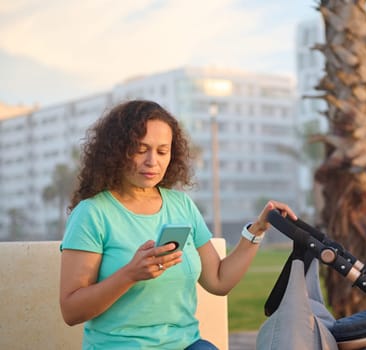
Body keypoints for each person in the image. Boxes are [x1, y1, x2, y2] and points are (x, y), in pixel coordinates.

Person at [59, 99, 297, 349]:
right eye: (141, 149)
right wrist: (130, 274)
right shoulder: (92, 213)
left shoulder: (181, 205)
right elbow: (71, 310)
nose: (153, 161)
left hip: (186, 344)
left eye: (162, 151)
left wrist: (256, 231)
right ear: (116, 151)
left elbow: (218, 280)